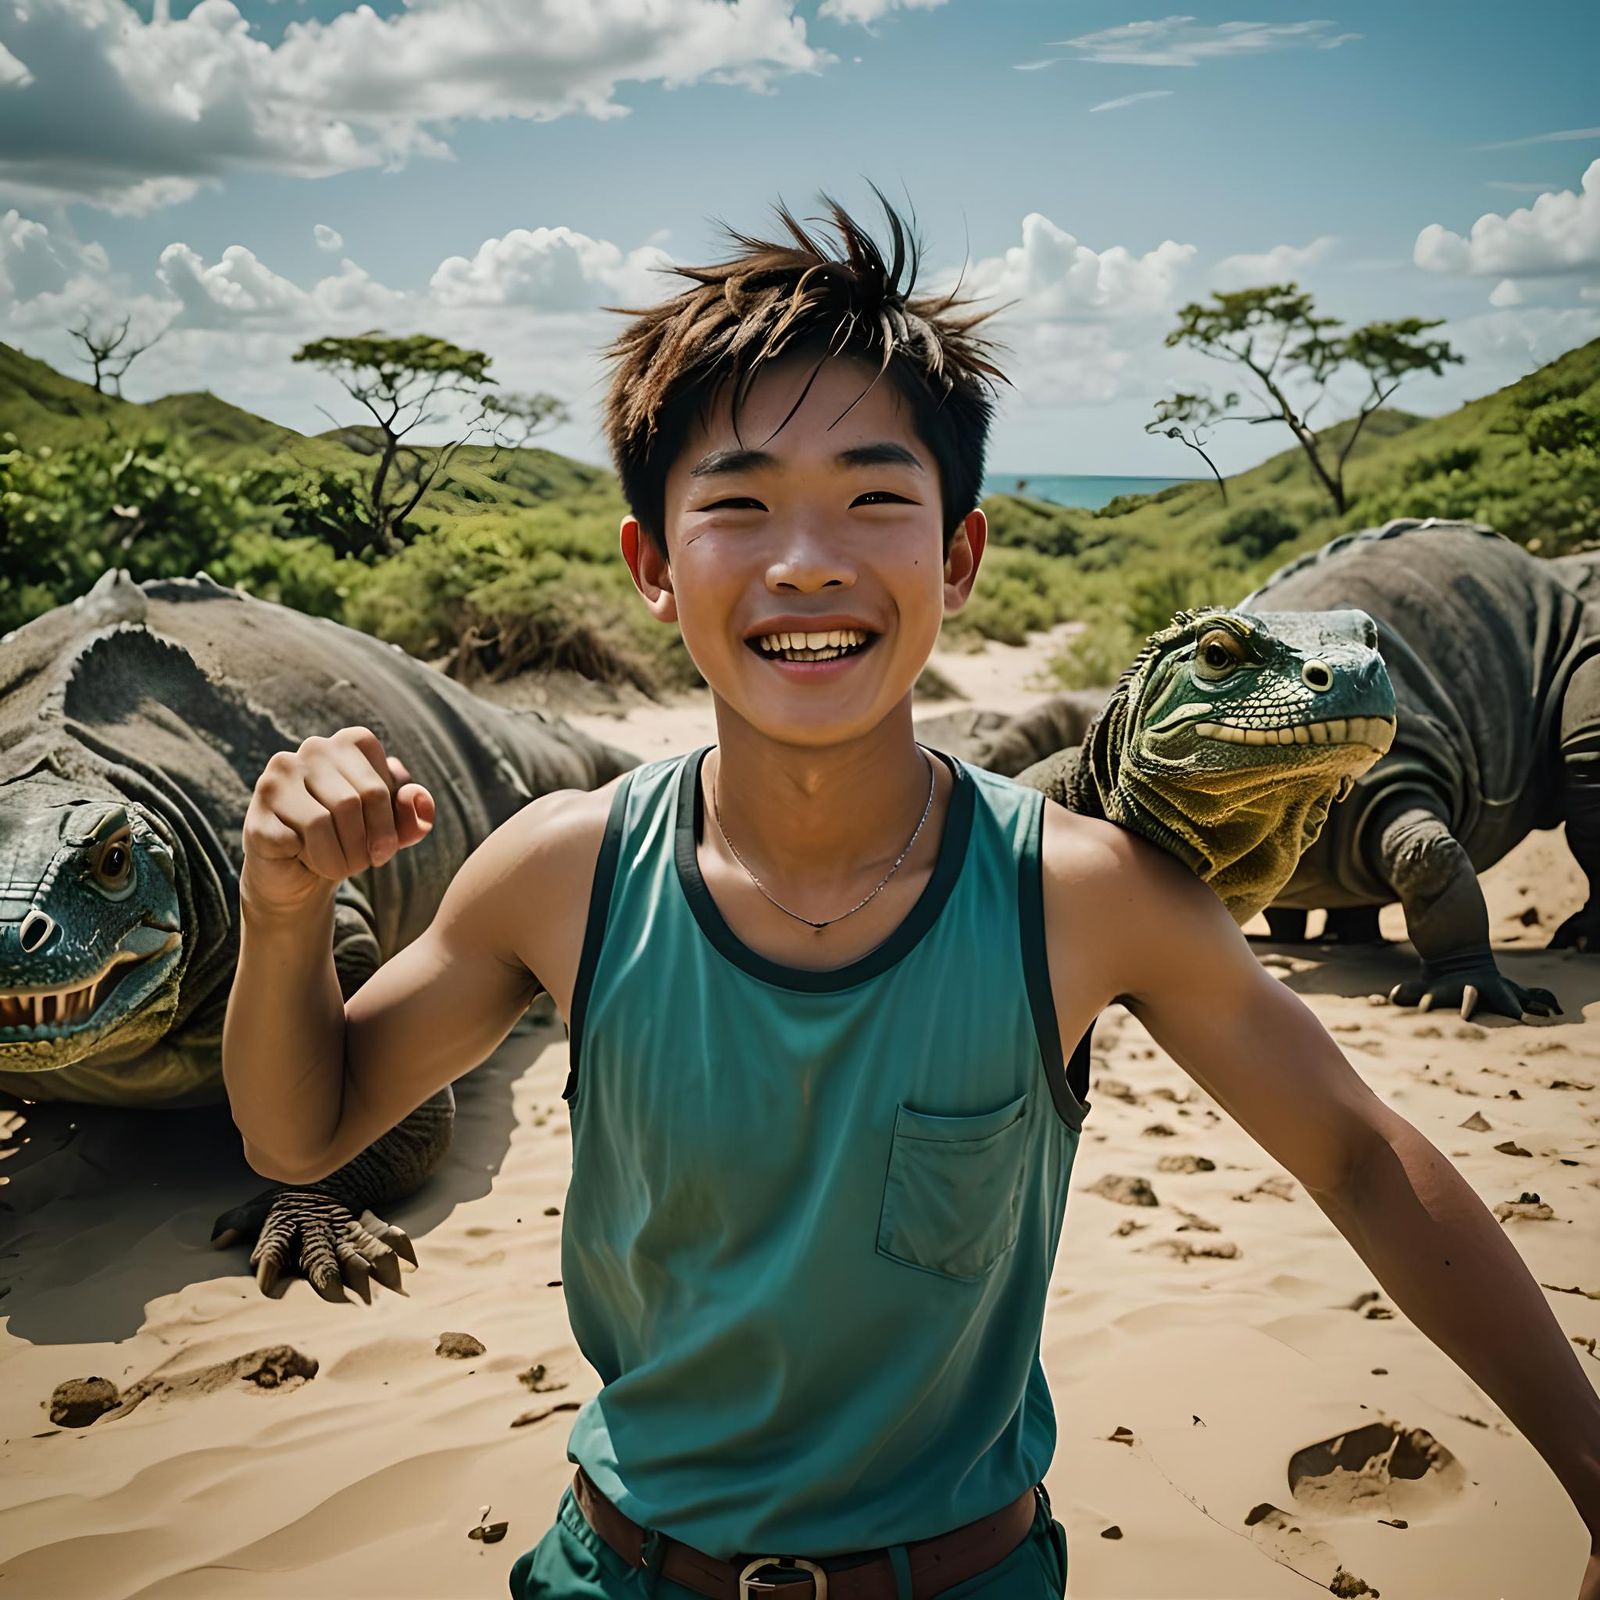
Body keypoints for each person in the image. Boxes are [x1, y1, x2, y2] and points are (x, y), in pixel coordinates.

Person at [222, 194, 1600, 1599]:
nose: (806, 558)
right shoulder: (565, 870)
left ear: (958, 555)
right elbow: (302, 1125)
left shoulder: (1076, 894)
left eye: (876, 498)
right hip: (618, 1572)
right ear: (652, 566)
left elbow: (1362, 1158)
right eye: (739, 504)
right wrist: (280, 913)